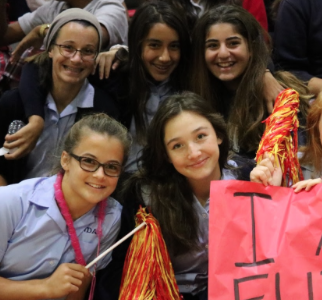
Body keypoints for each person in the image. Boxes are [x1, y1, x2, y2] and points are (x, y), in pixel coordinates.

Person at [65, 92, 239, 300]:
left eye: (201, 136)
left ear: (219, 134)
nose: (194, 151)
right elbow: (117, 268)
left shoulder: (249, 179)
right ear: (165, 154)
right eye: (177, 146)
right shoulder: (144, 195)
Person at [0, 113, 130, 300]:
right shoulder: (11, 203)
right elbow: (56, 287)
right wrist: (46, 287)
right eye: (89, 161)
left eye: (112, 167)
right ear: (65, 160)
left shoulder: (110, 217)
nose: (99, 175)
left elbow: (75, 289)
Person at [16, 0, 192, 173]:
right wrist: (36, 118)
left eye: (174, 46)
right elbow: (37, 67)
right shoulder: (115, 74)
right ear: (137, 45)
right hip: (119, 183)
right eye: (154, 45)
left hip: (173, 182)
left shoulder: (190, 82)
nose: (165, 57)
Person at [0, 9, 119, 185]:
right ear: (50, 50)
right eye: (68, 48)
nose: (76, 59)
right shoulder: (13, 103)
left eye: (87, 51)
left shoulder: (105, 111)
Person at [191, 4, 308, 160]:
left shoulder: (279, 94)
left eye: (233, 43)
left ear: (251, 48)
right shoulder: (198, 97)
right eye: (213, 46)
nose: (223, 53)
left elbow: (295, 162)